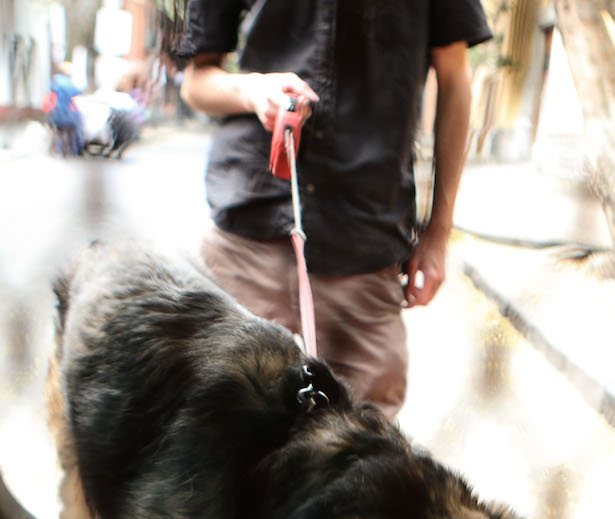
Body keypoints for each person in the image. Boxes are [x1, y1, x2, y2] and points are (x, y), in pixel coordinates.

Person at [180, 1, 491, 418]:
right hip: (249, 239)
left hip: (366, 241)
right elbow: (197, 81)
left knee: (364, 453)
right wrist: (251, 90)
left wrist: (439, 233)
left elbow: (455, 78)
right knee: (220, 433)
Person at [46, 62, 85, 157]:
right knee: (72, 131)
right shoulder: (71, 83)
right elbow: (75, 97)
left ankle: (58, 149)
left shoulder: (56, 81)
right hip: (69, 114)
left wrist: (50, 111)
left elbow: (52, 97)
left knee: (59, 131)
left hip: (58, 113)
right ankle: (73, 151)